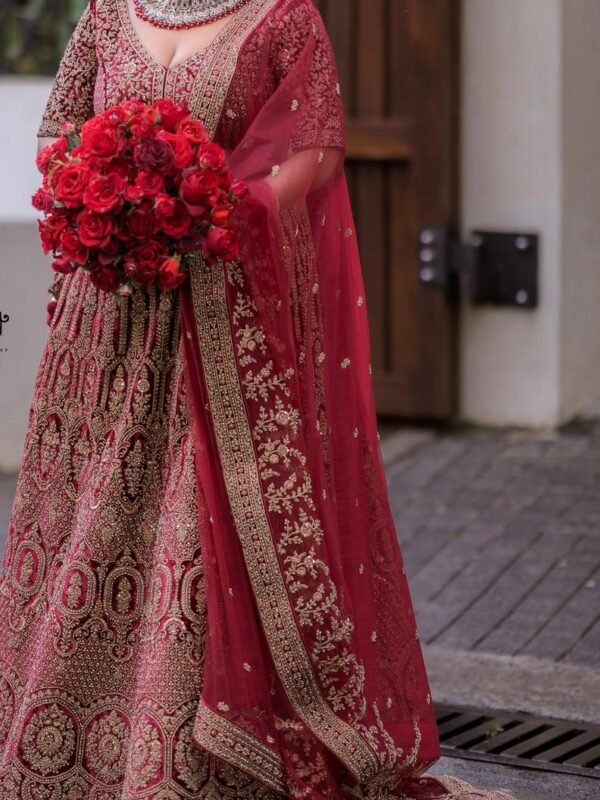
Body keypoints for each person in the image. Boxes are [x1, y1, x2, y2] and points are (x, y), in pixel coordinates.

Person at [0, 1, 513, 797]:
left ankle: (179, 760)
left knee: (196, 523)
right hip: (109, 323)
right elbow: (58, 128)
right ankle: (68, 742)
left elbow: (316, 151)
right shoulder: (107, 11)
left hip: (222, 325)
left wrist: (215, 214)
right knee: (96, 519)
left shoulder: (284, 18)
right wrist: (100, 192)